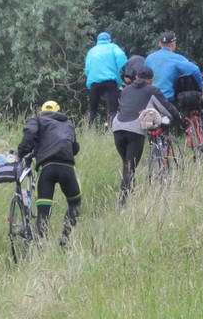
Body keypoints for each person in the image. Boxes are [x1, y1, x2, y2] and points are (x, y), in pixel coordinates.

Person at [111, 67, 181, 205]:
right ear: (151, 79)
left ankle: (130, 192)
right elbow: (167, 108)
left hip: (117, 127)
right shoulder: (152, 90)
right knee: (130, 167)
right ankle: (122, 203)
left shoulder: (125, 89)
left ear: (136, 76)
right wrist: (179, 119)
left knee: (127, 164)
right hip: (134, 129)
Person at [17, 100, 82, 246]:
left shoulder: (38, 119)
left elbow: (29, 134)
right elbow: (75, 148)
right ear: (58, 110)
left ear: (42, 110)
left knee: (44, 210)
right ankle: (65, 238)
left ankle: (40, 243)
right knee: (75, 203)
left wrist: (21, 153)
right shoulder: (68, 124)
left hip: (47, 168)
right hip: (67, 168)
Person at [144, 31, 203, 103]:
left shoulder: (149, 58)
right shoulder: (176, 58)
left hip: (149, 100)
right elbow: (195, 70)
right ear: (173, 44)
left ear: (160, 44)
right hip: (166, 100)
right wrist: (201, 89)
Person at [84, 32, 127, 126]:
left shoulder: (92, 51)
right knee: (112, 110)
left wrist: (91, 78)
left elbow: (87, 69)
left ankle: (88, 129)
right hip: (110, 81)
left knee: (92, 109)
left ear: (98, 40)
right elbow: (121, 56)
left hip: (94, 82)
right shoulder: (113, 47)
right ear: (109, 39)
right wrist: (119, 69)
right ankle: (112, 131)